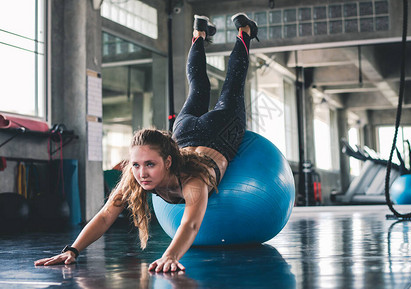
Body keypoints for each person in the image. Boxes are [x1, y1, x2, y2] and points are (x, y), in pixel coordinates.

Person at [34, 13, 258, 273]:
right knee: (197, 86)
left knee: (231, 85)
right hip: (183, 131)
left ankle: (243, 31)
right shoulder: (136, 175)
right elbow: (106, 214)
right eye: (137, 165)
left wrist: (171, 256)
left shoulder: (193, 179)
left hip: (218, 131)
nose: (141, 173)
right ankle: (199, 35)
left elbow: (191, 224)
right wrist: (71, 250)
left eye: (150, 164)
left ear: (168, 160)